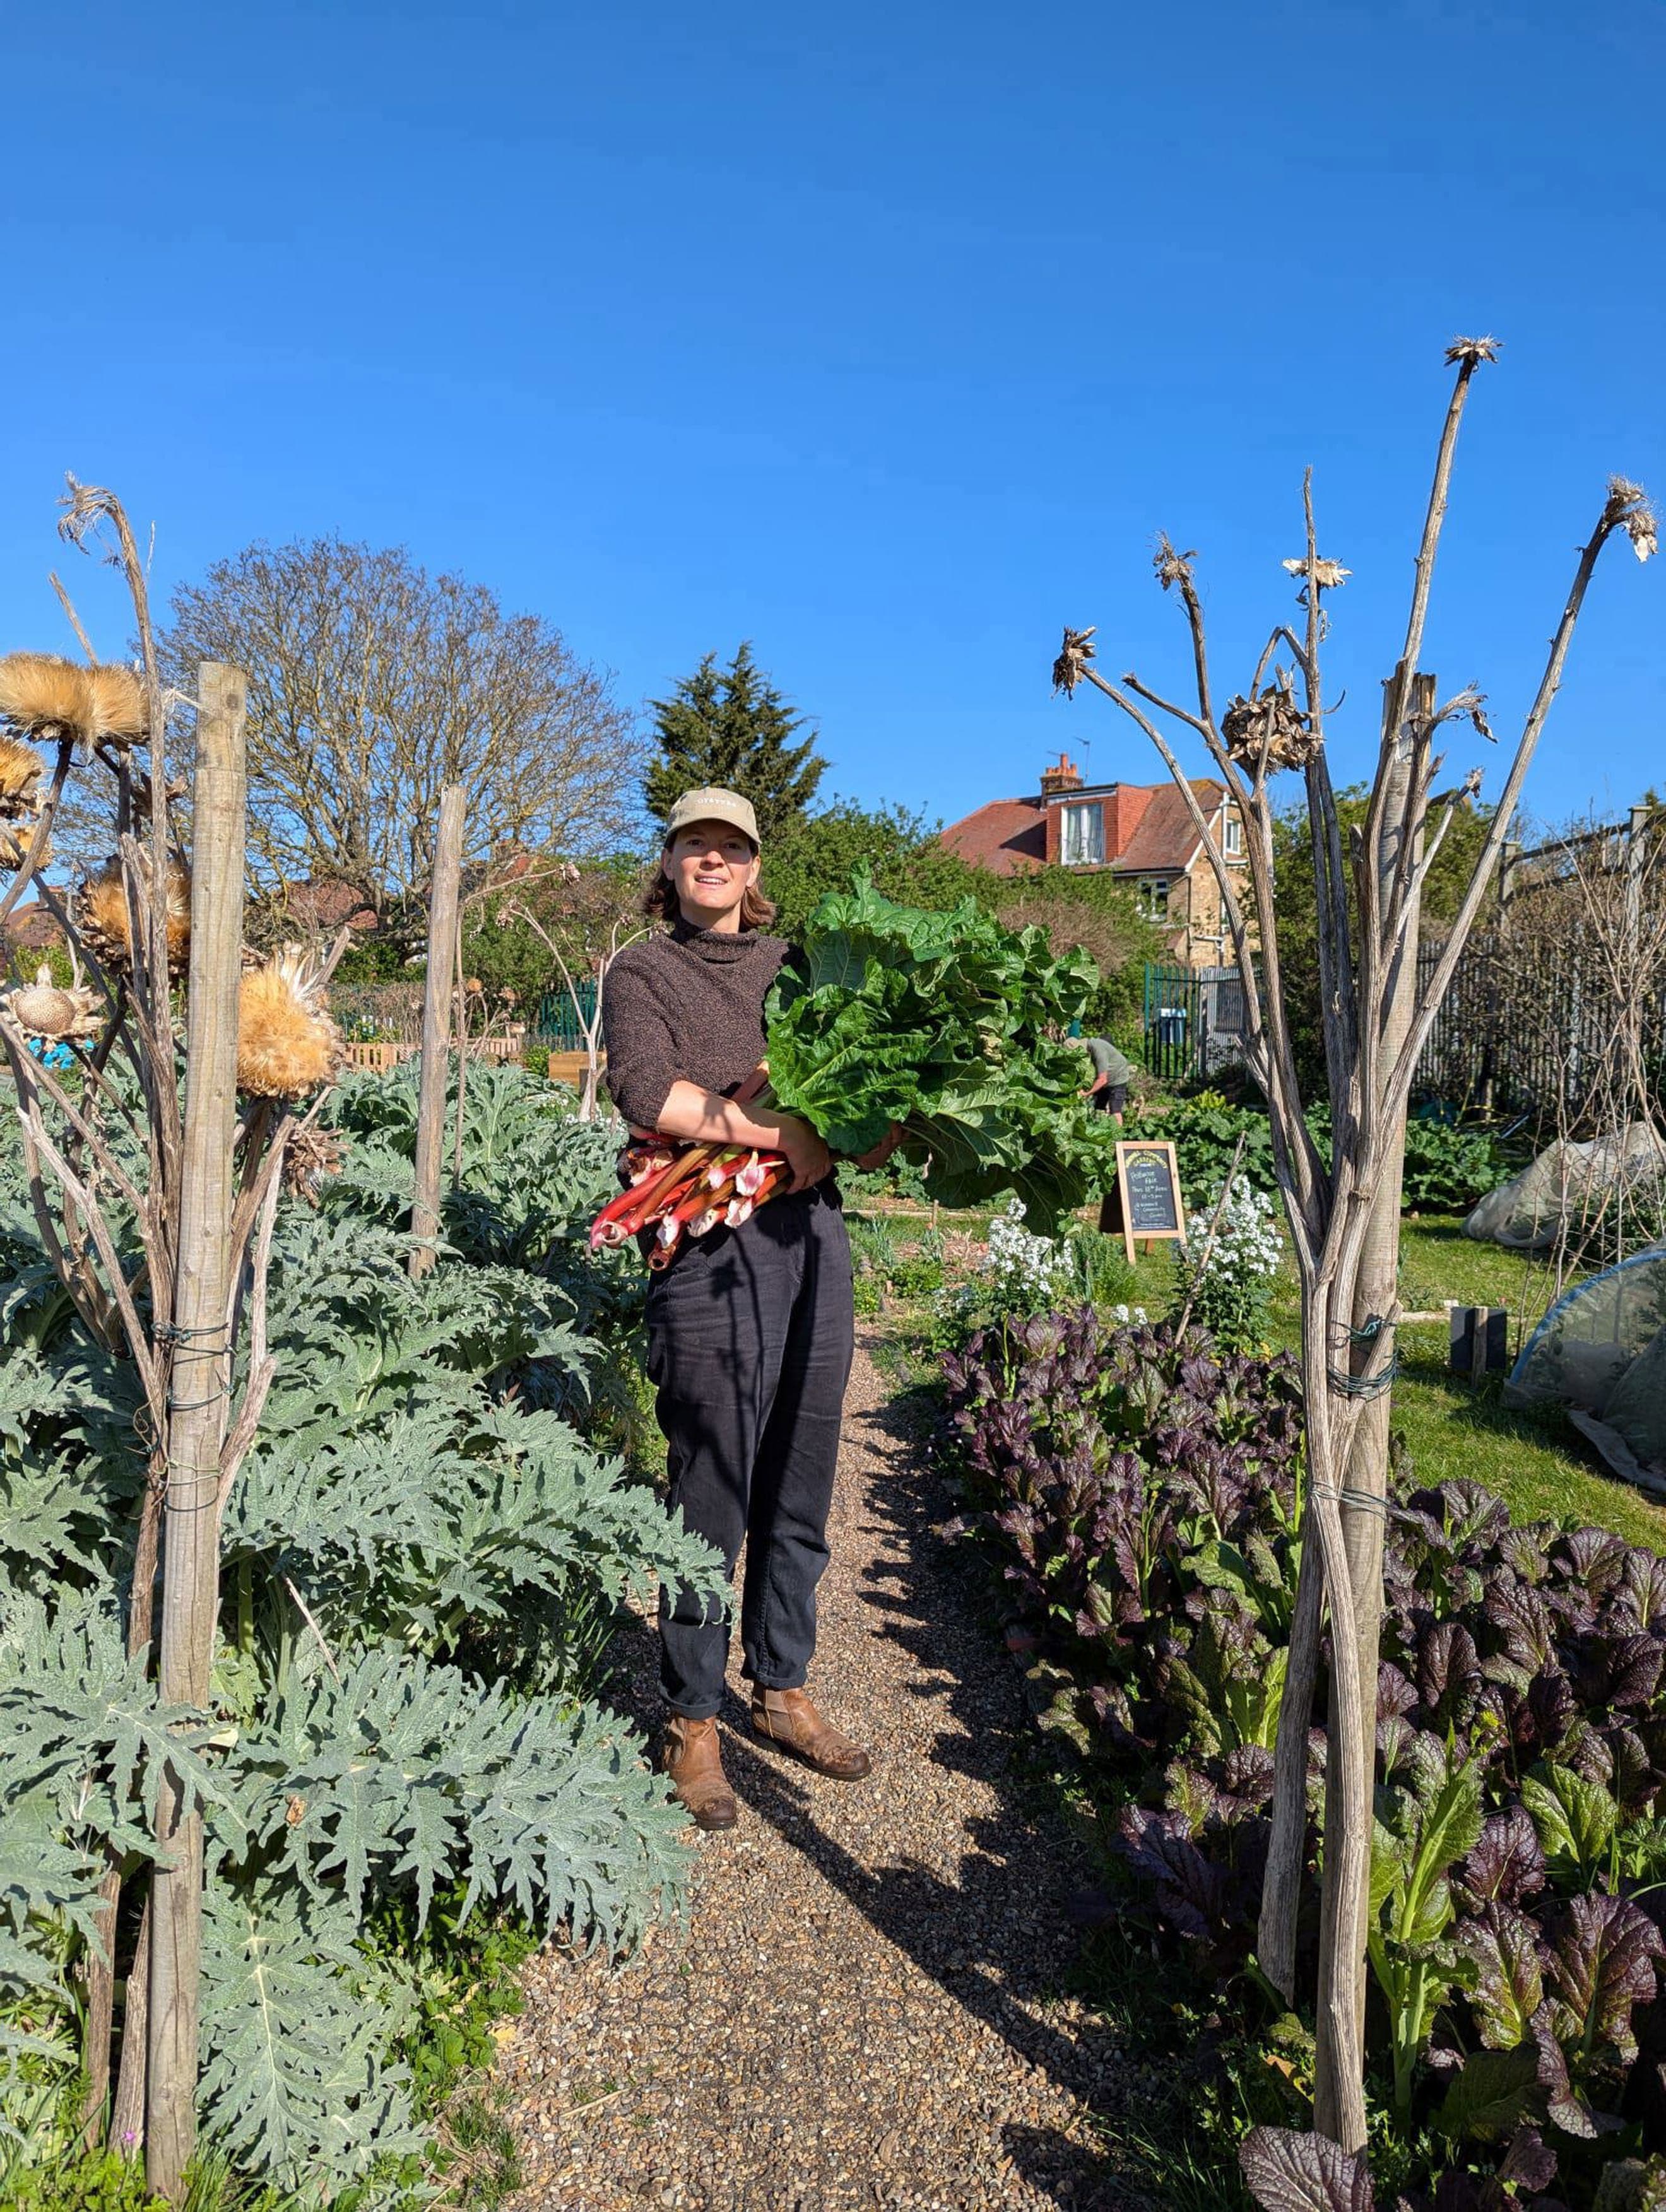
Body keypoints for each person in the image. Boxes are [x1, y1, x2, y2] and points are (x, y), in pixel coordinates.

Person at [600, 787, 888, 1833]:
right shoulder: (644, 970)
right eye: (694, 845)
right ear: (670, 863)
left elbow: (862, 1095)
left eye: (732, 847)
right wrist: (782, 1140)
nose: (713, 860)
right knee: (712, 1486)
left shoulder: (798, 968)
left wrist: (867, 1130)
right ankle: (692, 1716)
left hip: (813, 1238)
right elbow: (650, 1093)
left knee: (803, 1472)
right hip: (711, 1251)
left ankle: (781, 1682)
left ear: (755, 869)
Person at [1081, 1032, 1135, 1126]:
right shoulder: (1091, 1048)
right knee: (1098, 1108)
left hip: (1118, 1078)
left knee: (1115, 1110)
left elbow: (1102, 1080)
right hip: (1105, 1079)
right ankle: (1098, 1131)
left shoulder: (1098, 1050)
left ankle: (1117, 1135)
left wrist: (1086, 1094)